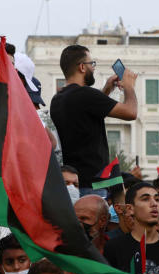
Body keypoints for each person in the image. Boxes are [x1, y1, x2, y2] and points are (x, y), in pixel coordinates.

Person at [49, 45, 137, 193]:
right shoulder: (86, 94)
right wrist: (129, 86)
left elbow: (90, 110)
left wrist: (107, 89)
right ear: (82, 67)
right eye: (92, 64)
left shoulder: (58, 98)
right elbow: (131, 112)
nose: (94, 68)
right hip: (93, 184)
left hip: (74, 183)